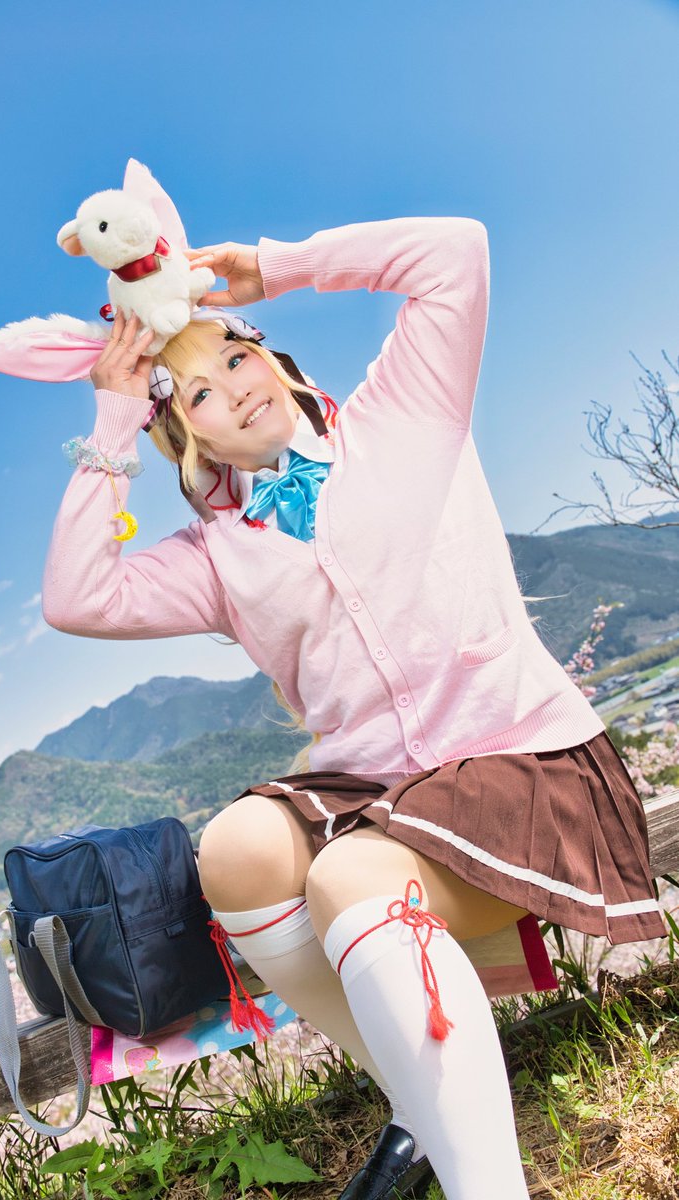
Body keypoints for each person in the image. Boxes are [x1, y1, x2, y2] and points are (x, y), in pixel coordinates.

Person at [41, 216, 666, 1200]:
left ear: (272, 357)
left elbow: (455, 252)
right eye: (197, 391)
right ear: (190, 437)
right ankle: (424, 1110)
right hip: (377, 791)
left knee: (352, 878)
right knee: (235, 852)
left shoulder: (401, 415)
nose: (232, 386)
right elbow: (76, 596)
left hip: (521, 759)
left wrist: (272, 266)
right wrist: (116, 417)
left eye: (235, 355)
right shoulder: (217, 557)